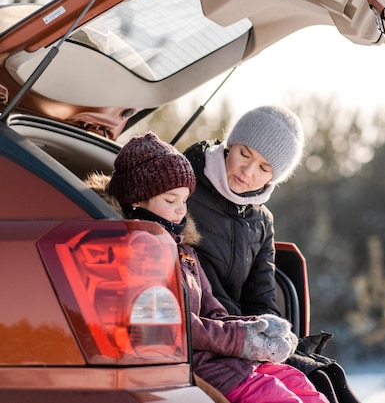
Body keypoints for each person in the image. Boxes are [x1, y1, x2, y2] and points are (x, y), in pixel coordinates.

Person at [85, 131, 329, 403]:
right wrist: (239, 339)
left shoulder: (185, 252)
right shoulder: (136, 252)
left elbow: (213, 310)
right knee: (274, 396)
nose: (180, 210)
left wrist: (256, 326)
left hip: (224, 358)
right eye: (170, 200)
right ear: (136, 200)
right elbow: (170, 326)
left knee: (299, 382)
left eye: (184, 200)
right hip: (196, 366)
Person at [183, 106, 362, 403]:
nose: (248, 172)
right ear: (230, 145)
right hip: (209, 334)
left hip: (243, 337)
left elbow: (262, 297)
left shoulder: (261, 221)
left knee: (328, 375)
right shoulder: (183, 190)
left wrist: (273, 337)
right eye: (244, 154)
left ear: (273, 178)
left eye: (265, 168)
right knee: (313, 378)